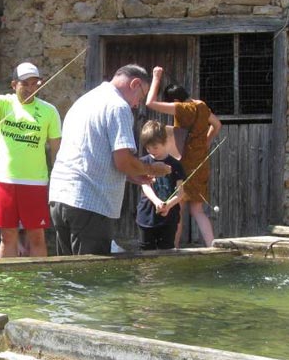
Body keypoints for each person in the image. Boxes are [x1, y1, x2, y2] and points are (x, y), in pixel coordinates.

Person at [48, 64, 169, 256]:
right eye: (141, 95)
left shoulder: (85, 100)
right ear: (135, 83)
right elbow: (123, 162)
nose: (137, 104)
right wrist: (153, 169)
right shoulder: (118, 106)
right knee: (91, 278)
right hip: (90, 202)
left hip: (60, 198)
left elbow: (92, 155)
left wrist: (131, 177)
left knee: (68, 275)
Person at [0, 61, 61, 258]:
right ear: (14, 85)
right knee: (7, 236)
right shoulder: (4, 103)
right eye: (24, 83)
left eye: (34, 83)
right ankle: (7, 283)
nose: (30, 88)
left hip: (35, 182)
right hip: (7, 180)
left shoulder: (49, 111)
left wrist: (58, 178)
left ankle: (37, 281)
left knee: (36, 236)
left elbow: (56, 149)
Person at [145, 66, 222, 247]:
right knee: (198, 210)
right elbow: (217, 125)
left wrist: (156, 78)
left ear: (176, 100)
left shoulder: (182, 108)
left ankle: (175, 247)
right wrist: (206, 142)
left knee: (177, 209)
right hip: (201, 163)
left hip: (183, 164)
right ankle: (212, 246)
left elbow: (150, 103)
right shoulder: (201, 106)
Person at [136, 121, 186, 251]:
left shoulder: (176, 165)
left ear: (165, 142)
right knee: (146, 254)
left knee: (167, 252)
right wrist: (157, 202)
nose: (151, 151)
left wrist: (168, 205)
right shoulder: (144, 163)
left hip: (169, 219)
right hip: (147, 217)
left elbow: (180, 193)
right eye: (148, 148)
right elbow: (145, 185)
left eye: (155, 147)